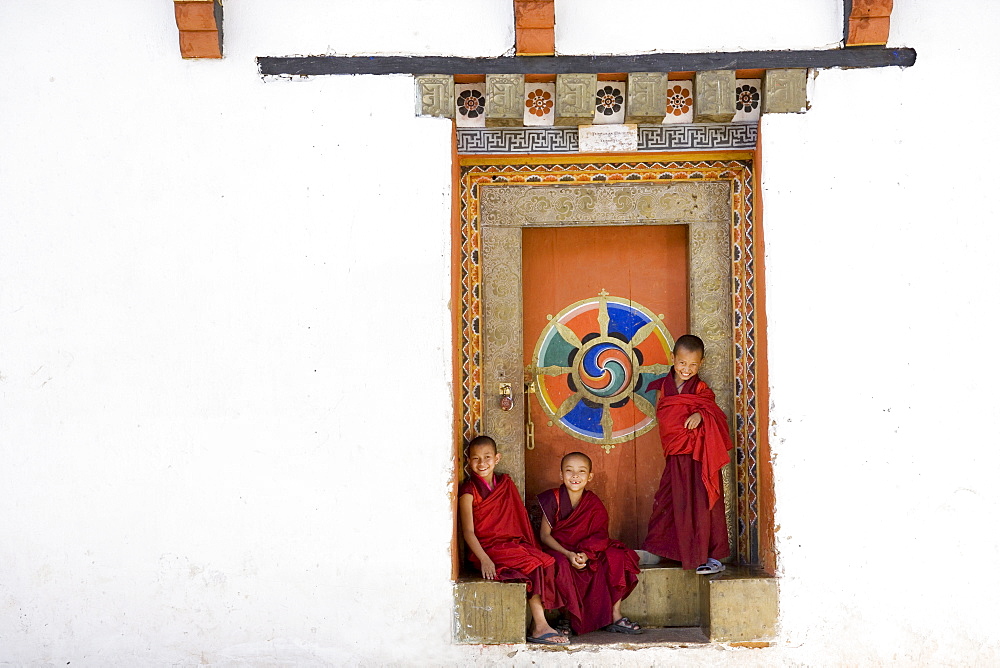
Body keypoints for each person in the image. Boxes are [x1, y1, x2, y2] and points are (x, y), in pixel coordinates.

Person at [458, 435, 569, 645]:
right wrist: (484, 559)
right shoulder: (469, 492)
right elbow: (469, 532)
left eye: (487, 457)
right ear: (468, 461)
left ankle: (552, 621)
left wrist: (523, 544)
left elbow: (517, 518)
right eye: (475, 458)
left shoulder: (505, 484)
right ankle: (540, 626)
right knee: (534, 565)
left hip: (510, 545)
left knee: (548, 561)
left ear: (497, 458)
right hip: (488, 550)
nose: (482, 463)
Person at [640, 334, 733, 574]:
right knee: (671, 501)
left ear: (701, 364)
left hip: (698, 457)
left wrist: (701, 415)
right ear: (673, 359)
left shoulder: (701, 388)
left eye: (693, 365)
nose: (686, 369)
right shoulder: (663, 387)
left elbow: (713, 412)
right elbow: (665, 415)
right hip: (676, 455)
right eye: (682, 363)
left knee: (701, 504)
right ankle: (664, 550)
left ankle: (709, 555)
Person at [537, 452, 642, 636]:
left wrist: (585, 554)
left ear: (590, 476)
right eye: (569, 471)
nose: (575, 476)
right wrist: (569, 554)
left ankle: (614, 615)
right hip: (560, 550)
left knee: (619, 555)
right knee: (558, 563)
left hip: (585, 552)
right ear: (561, 475)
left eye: (581, 471)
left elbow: (600, 536)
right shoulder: (553, 499)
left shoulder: (592, 502)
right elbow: (545, 536)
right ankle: (567, 617)